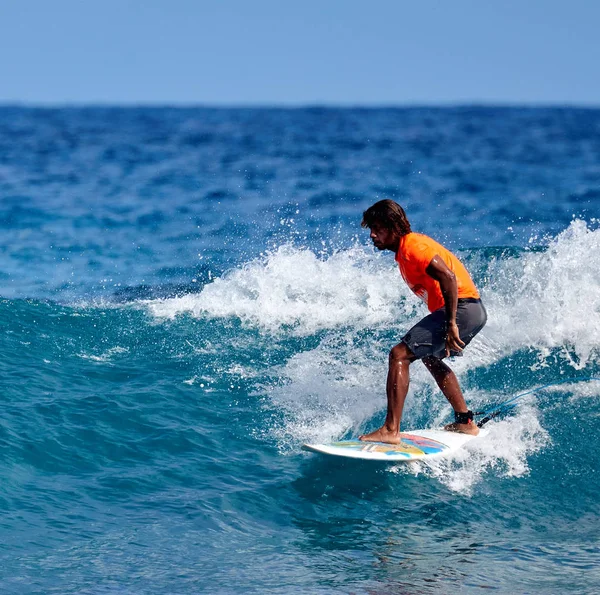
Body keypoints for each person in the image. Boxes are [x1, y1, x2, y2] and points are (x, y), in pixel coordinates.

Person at [359, 199, 487, 444]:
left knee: (399, 354)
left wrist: (451, 323)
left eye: (378, 228)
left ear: (394, 227)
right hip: (470, 310)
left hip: (463, 309)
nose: (373, 235)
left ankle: (390, 429)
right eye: (371, 229)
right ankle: (465, 422)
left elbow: (448, 278)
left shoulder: (413, 247)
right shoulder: (406, 251)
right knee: (429, 357)